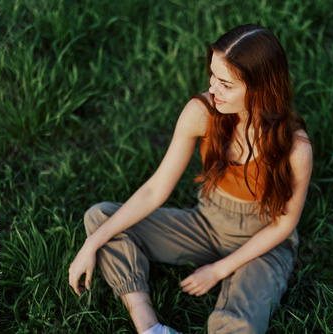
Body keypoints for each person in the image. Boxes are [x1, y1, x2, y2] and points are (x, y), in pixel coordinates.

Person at [68, 24, 313, 334]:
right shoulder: (201, 113)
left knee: (241, 325)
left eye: (226, 84)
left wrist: (219, 270)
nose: (212, 89)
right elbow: (156, 189)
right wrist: (93, 242)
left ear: (261, 86)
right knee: (101, 218)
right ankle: (151, 328)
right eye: (212, 76)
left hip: (264, 244)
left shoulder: (295, 147)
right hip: (206, 225)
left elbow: (285, 225)